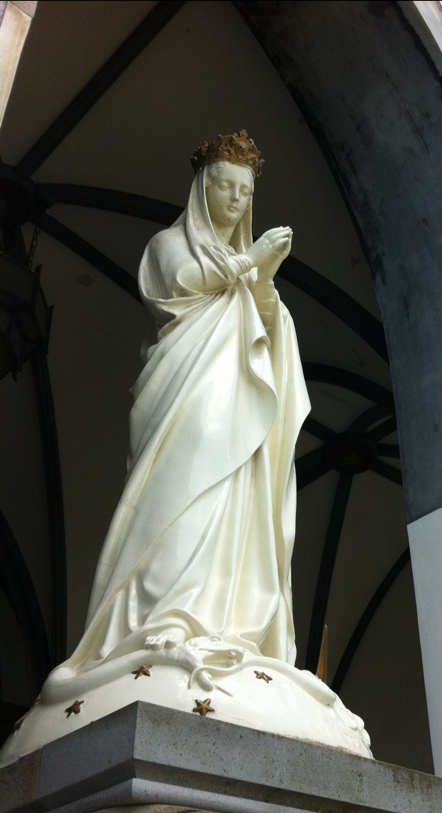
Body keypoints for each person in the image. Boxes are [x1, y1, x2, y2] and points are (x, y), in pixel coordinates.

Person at [62, 130, 311, 676]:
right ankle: (159, 617)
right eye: (226, 187)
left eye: (246, 192)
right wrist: (249, 262)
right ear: (203, 188)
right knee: (179, 497)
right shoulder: (169, 244)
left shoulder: (242, 261)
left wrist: (264, 279)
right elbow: (180, 283)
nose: (236, 200)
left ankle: (218, 619)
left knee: (231, 502)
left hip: (238, 406)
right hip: (186, 397)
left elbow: (267, 328)